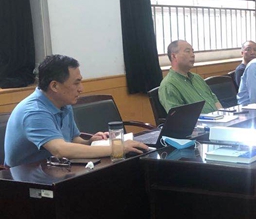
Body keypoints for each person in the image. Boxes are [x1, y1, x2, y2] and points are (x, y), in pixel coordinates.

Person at [4, 55, 149, 167]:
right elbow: (60, 150)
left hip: (54, 168)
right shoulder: (34, 112)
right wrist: (117, 148)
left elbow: (73, 139)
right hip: (24, 180)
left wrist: (90, 141)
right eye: (76, 83)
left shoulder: (63, 103)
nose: (81, 89)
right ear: (54, 86)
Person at [158, 40, 221, 113]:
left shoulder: (197, 78)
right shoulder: (168, 85)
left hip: (218, 118)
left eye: (193, 51)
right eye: (188, 51)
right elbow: (179, 117)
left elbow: (214, 100)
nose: (193, 55)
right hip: (199, 120)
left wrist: (223, 115)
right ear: (174, 56)